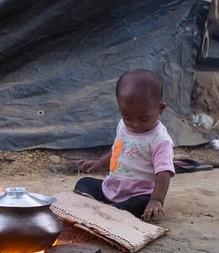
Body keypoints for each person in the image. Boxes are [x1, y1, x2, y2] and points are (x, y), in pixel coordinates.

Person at [74, 69, 175, 222]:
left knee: (134, 206)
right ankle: (109, 208)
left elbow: (163, 174)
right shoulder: (122, 126)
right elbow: (118, 149)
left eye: (143, 119)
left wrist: (156, 200)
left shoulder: (160, 139)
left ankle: (112, 211)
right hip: (112, 188)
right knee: (83, 184)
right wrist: (100, 163)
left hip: (139, 194)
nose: (135, 124)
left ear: (160, 109)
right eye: (128, 117)